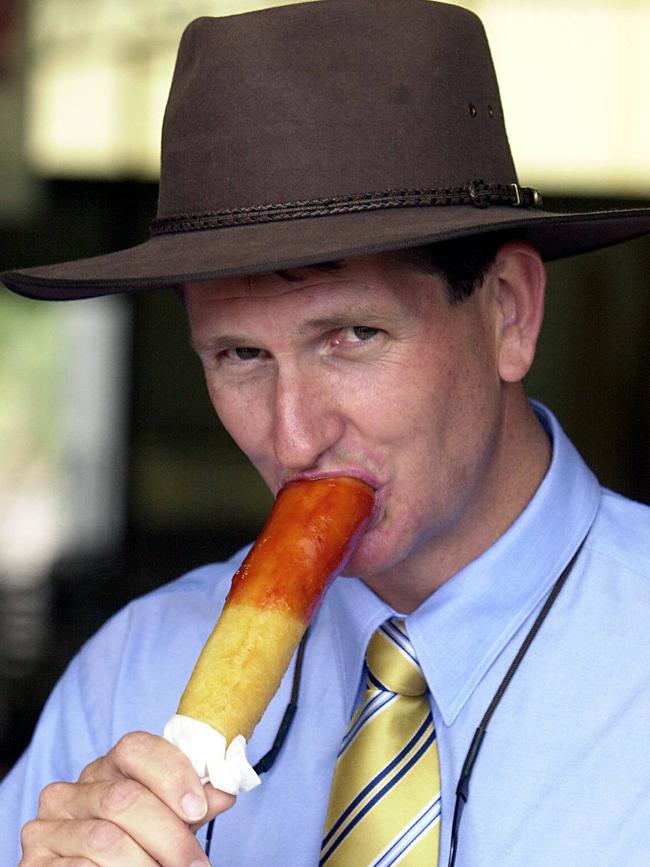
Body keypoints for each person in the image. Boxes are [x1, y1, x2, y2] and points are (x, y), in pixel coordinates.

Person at [2, 1, 650, 865]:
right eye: (239, 353)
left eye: (352, 336)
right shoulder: (127, 677)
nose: (294, 433)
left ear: (509, 313)